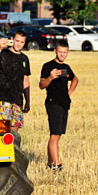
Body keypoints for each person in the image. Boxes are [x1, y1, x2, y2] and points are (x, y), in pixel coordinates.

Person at [39, 40, 78, 171]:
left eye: (64, 52)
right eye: (60, 52)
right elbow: (41, 85)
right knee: (55, 135)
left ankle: (50, 163)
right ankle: (57, 165)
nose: (62, 55)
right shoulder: (47, 66)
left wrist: (69, 93)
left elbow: (75, 79)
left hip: (64, 104)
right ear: (55, 51)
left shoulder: (66, 68)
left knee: (57, 135)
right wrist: (50, 78)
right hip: (52, 102)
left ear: (68, 52)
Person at [0, 29, 31, 134]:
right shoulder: (3, 53)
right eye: (17, 41)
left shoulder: (24, 59)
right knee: (2, 131)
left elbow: (26, 80)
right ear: (12, 39)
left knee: (14, 132)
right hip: (3, 99)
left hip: (18, 100)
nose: (19, 44)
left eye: (22, 42)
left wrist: (27, 101)